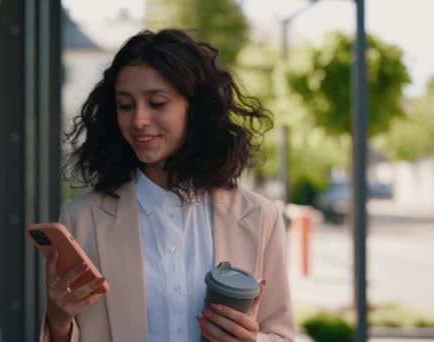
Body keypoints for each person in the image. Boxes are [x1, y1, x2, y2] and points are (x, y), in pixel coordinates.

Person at [40, 29, 294, 342]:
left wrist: (253, 341)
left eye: (157, 103)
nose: (138, 121)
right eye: (125, 105)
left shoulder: (259, 217)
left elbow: (281, 333)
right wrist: (59, 321)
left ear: (195, 108)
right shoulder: (82, 220)